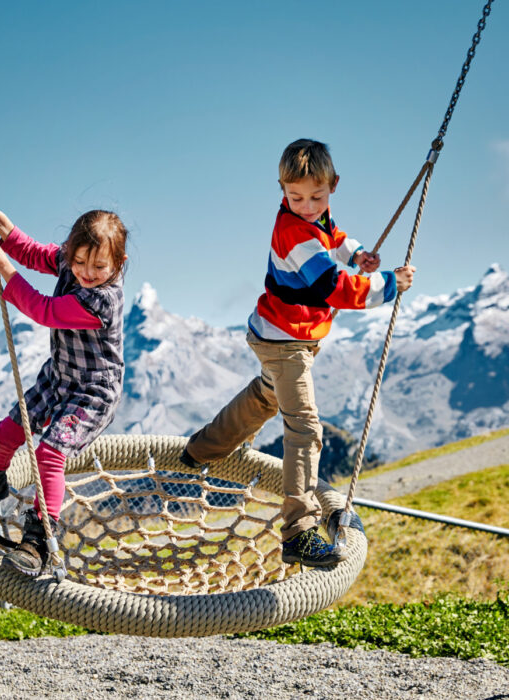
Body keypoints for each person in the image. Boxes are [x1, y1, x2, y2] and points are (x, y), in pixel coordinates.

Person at [180, 138, 415, 567]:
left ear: (333, 187)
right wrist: (388, 284)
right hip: (284, 341)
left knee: (266, 397)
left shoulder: (314, 219)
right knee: (305, 427)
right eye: (295, 197)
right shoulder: (293, 234)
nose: (307, 205)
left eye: (316, 197)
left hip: (291, 336)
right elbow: (333, 287)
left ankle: (200, 451)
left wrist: (358, 253)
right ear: (281, 191)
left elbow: (334, 235)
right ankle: (299, 531)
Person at [0, 201, 128, 577]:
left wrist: (4, 270)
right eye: (79, 262)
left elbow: (44, 309)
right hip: (59, 377)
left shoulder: (101, 300)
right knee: (9, 430)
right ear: (70, 251)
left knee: (49, 452)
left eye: (99, 266)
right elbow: (31, 251)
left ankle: (41, 535)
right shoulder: (69, 262)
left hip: (93, 392)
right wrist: (2, 223)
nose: (87, 273)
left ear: (119, 264)